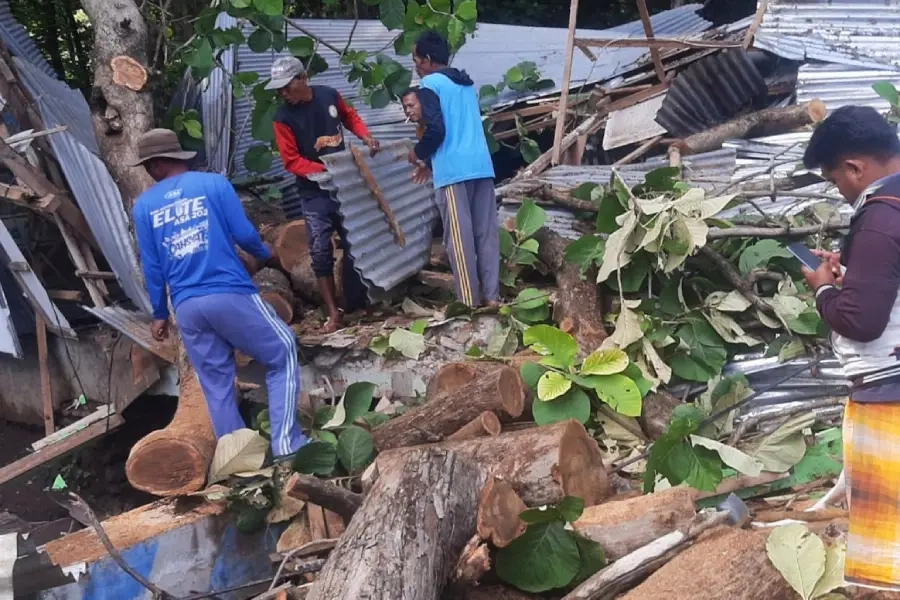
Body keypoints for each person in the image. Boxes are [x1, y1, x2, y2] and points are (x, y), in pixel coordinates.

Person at [131, 128, 306, 461]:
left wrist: (158, 314)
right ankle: (288, 445)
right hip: (229, 292)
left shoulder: (144, 207)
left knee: (217, 383)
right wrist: (266, 253)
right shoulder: (214, 185)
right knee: (282, 350)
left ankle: (239, 461)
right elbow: (244, 234)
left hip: (186, 307)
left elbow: (152, 268)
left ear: (155, 165)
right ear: (178, 157)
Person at [801, 105, 900, 591]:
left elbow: (861, 321)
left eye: (835, 178)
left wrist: (823, 289)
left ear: (856, 168)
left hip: (891, 396)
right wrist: (857, 275)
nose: (838, 189)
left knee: (892, 556)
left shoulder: (881, 218)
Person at [267, 56, 380, 332]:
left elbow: (349, 115)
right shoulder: (283, 118)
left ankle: (360, 303)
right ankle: (333, 313)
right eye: (279, 89)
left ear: (302, 79)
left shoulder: (329, 95)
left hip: (345, 185)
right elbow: (291, 161)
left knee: (357, 243)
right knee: (319, 251)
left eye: (286, 86)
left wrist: (365, 135)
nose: (283, 93)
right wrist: (324, 168)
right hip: (314, 191)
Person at [409, 32, 501, 308]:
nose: (414, 65)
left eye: (415, 59)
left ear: (426, 60)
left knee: (459, 240)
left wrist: (418, 153)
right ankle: (493, 297)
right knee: (486, 234)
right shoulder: (465, 83)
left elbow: (436, 129)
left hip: (454, 170)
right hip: (481, 166)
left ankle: (469, 303)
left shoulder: (429, 84)